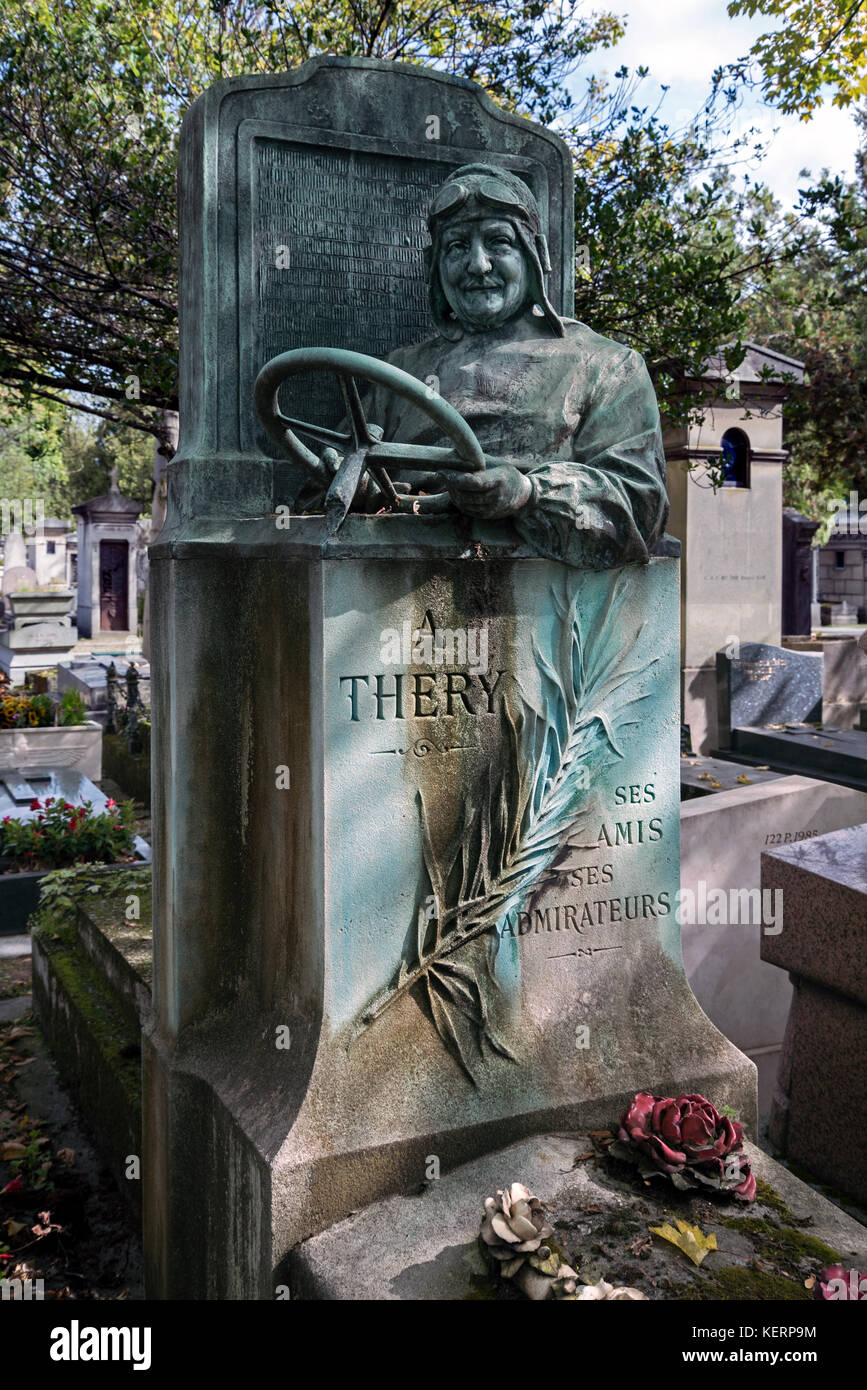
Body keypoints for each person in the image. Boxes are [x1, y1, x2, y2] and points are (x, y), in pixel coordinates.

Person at [304, 163, 669, 569]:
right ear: (435, 265)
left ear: (534, 257)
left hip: (539, 597)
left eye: (498, 242)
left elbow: (642, 508)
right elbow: (315, 495)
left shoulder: (606, 366)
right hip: (388, 585)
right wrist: (359, 485)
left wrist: (529, 494)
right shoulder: (400, 372)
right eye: (457, 247)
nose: (478, 265)